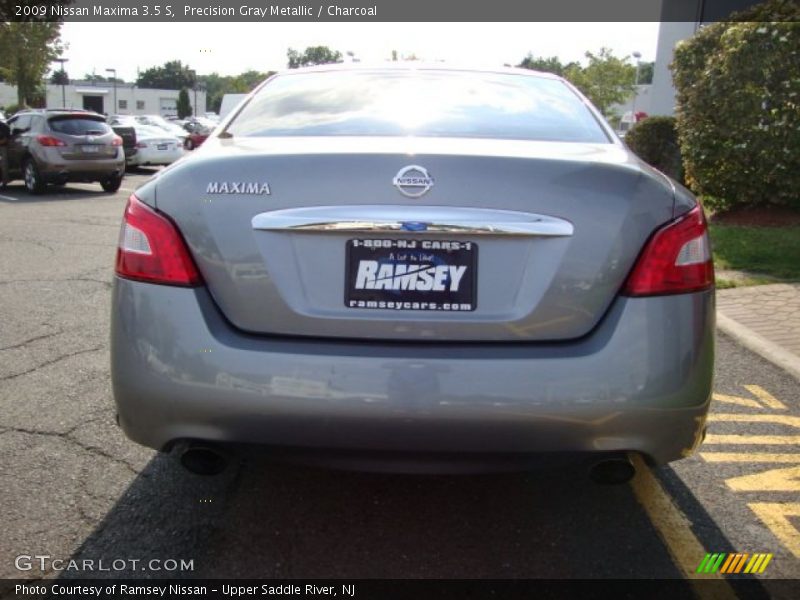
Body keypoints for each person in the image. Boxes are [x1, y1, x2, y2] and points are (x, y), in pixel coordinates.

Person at [0, 117, 10, 187]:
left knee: (4, 164)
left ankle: (5, 181)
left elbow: (6, 139)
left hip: (3, 146)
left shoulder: (4, 126)